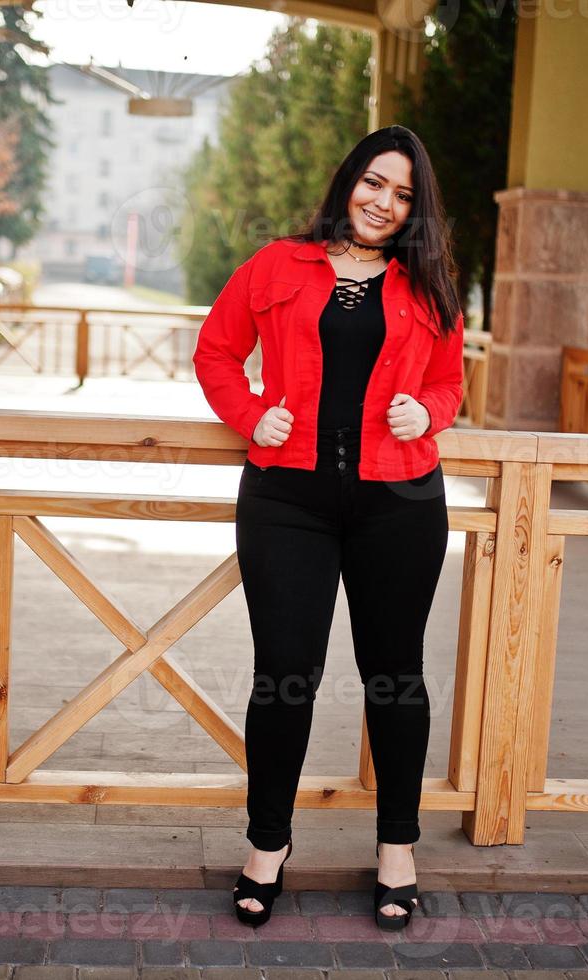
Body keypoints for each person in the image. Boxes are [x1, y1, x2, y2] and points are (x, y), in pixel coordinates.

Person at [191, 125, 465, 931]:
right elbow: (215, 352)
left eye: (404, 195)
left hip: (400, 500)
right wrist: (250, 415)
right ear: (349, 180)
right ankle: (267, 847)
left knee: (394, 675)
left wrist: (429, 411)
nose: (384, 203)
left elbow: (449, 384)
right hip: (287, 501)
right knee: (284, 671)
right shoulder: (279, 263)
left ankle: (397, 851)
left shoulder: (431, 282)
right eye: (374, 183)